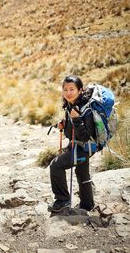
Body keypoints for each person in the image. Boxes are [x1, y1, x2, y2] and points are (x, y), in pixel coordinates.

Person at [49, 75, 96, 213]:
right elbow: (73, 130)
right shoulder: (71, 104)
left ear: (80, 90)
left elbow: (86, 136)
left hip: (83, 148)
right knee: (82, 173)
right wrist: (64, 125)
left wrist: (76, 120)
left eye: (72, 89)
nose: (68, 93)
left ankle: (63, 200)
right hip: (78, 145)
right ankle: (87, 205)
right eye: (65, 89)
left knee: (56, 166)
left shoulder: (85, 109)